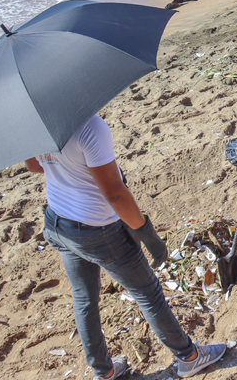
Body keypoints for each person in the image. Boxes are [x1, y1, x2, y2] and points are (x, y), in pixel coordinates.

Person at [26, 116, 226, 380]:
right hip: (97, 228)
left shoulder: (36, 121)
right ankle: (189, 356)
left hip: (58, 222)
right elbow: (115, 194)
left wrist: (68, 167)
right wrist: (146, 233)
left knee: (84, 298)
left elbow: (33, 165)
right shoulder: (89, 126)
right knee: (148, 292)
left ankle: (104, 372)